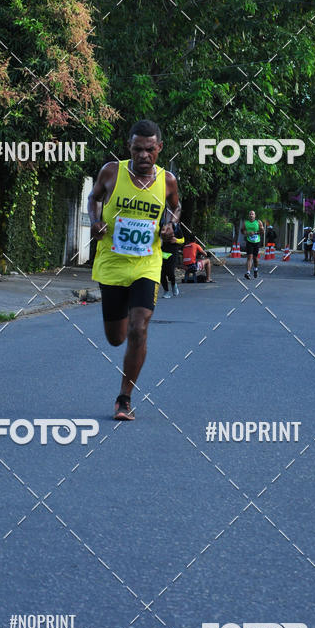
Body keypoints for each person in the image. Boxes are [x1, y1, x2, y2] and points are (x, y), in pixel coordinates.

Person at [88, 119, 180, 420]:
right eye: (138, 149)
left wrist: (171, 224)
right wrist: (95, 221)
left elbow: (176, 207)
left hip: (147, 263)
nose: (144, 156)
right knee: (116, 338)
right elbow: (94, 197)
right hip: (113, 264)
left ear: (159, 148)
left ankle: (124, 398)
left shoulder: (167, 181)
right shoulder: (111, 172)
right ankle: (124, 311)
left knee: (139, 328)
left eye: (150, 150)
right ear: (129, 147)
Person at [161, 221, 184, 298]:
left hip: (172, 251)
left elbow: (183, 240)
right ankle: (166, 292)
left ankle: (174, 285)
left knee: (170, 271)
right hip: (162, 251)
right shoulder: (161, 224)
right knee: (162, 272)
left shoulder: (176, 227)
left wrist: (176, 240)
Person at [243, 209, 264, 279]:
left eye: (252, 214)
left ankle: (255, 269)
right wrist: (247, 233)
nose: (251, 215)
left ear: (255, 216)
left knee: (255, 258)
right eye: (250, 214)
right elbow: (242, 231)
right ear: (249, 216)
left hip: (256, 242)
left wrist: (255, 233)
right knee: (249, 257)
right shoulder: (245, 223)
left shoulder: (258, 222)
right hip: (249, 242)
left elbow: (262, 232)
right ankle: (248, 273)